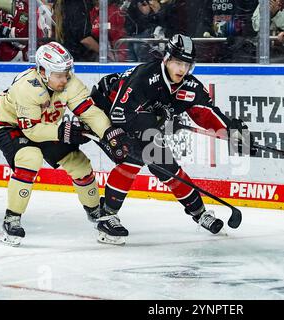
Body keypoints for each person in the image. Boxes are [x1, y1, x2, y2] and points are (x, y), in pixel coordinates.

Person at [90, 34, 257, 245]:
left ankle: (200, 213)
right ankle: (106, 216)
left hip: (138, 124)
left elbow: (206, 113)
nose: (181, 69)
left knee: (167, 167)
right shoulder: (146, 77)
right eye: (177, 63)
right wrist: (157, 120)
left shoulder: (189, 85)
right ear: (167, 60)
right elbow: (120, 114)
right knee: (132, 159)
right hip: (103, 114)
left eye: (186, 64)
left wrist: (233, 134)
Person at [0, 42, 112, 246]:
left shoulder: (68, 82)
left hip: (43, 125)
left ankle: (96, 212)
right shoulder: (26, 87)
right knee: (30, 158)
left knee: (78, 162)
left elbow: (88, 111)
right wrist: (65, 132)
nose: (65, 78)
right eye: (59, 74)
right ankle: (12, 218)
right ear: (43, 71)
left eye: (67, 72)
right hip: (8, 127)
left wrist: (109, 133)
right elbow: (32, 132)